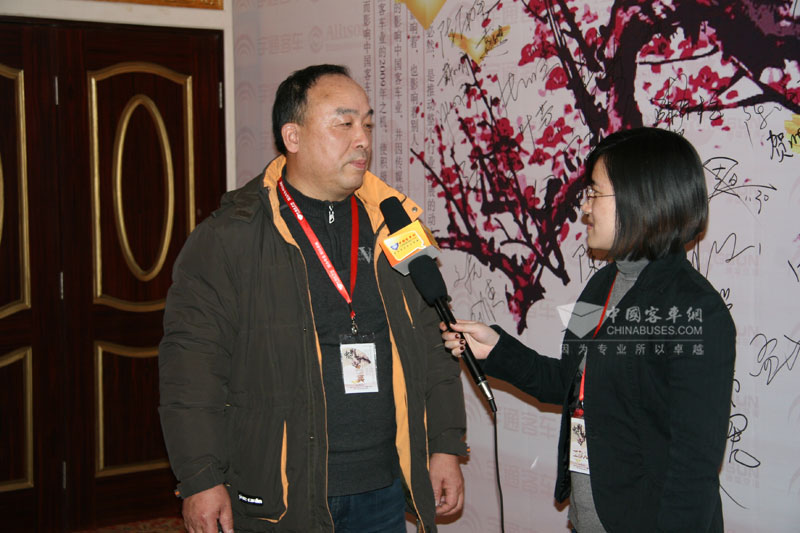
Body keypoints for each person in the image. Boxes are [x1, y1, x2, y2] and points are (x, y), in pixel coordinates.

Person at [159, 64, 467, 533]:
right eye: (344, 123)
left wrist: (444, 444)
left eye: (367, 124)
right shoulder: (230, 238)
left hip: (382, 487)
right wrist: (200, 478)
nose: (362, 139)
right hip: (282, 492)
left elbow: (435, 339)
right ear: (293, 136)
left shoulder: (396, 225)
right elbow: (191, 369)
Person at [442, 127, 735, 532]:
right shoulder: (601, 285)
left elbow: (693, 471)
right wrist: (496, 350)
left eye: (596, 193)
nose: (585, 208)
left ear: (641, 197)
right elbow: (569, 381)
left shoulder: (696, 310)